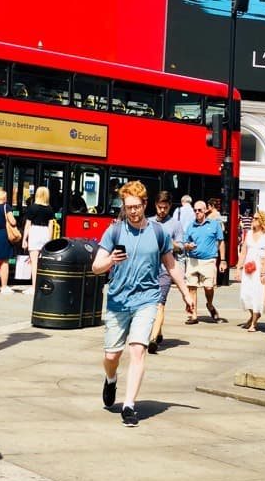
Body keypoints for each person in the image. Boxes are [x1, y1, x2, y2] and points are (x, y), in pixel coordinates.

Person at [92, 180, 194, 426]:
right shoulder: (114, 231)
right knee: (111, 355)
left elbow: (171, 265)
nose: (133, 211)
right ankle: (111, 378)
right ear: (124, 207)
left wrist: (185, 293)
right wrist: (110, 262)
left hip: (147, 299)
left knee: (138, 350)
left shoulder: (158, 232)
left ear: (145, 204)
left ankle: (129, 406)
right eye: (129, 207)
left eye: (137, 206)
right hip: (118, 300)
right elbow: (96, 267)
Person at [147, 190, 184, 354]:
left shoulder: (175, 224)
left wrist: (169, 241)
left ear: (170, 207)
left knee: (160, 303)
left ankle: (153, 339)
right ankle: (159, 331)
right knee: (149, 304)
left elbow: (181, 247)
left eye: (165, 208)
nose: (162, 210)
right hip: (148, 269)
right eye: (160, 207)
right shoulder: (148, 222)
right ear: (155, 205)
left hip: (166, 270)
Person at [183, 200, 227, 323]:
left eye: (200, 210)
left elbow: (221, 242)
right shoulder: (191, 226)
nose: (197, 212)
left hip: (208, 261)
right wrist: (188, 246)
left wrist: (223, 260)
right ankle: (194, 315)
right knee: (192, 287)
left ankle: (210, 304)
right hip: (192, 260)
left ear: (205, 211)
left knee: (208, 287)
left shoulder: (214, 225)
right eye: (195, 210)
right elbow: (185, 243)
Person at [238, 211, 265, 331]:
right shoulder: (249, 234)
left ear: (262, 220)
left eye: (256, 218)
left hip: (261, 268)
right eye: (253, 218)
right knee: (246, 294)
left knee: (258, 294)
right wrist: (238, 268)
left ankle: (254, 322)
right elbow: (243, 252)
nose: (253, 220)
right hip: (248, 267)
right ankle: (253, 315)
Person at [22, 186, 55, 293]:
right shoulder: (50, 208)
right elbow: (51, 226)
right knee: (43, 262)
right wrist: (49, 240)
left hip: (35, 232)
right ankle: (43, 284)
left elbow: (27, 225)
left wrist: (24, 240)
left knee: (34, 262)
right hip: (45, 232)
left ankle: (34, 286)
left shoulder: (32, 208)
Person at [0, 188, 18, 293]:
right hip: (3, 235)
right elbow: (13, 221)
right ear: (3, 197)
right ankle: (4, 286)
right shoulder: (6, 207)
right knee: (4, 262)